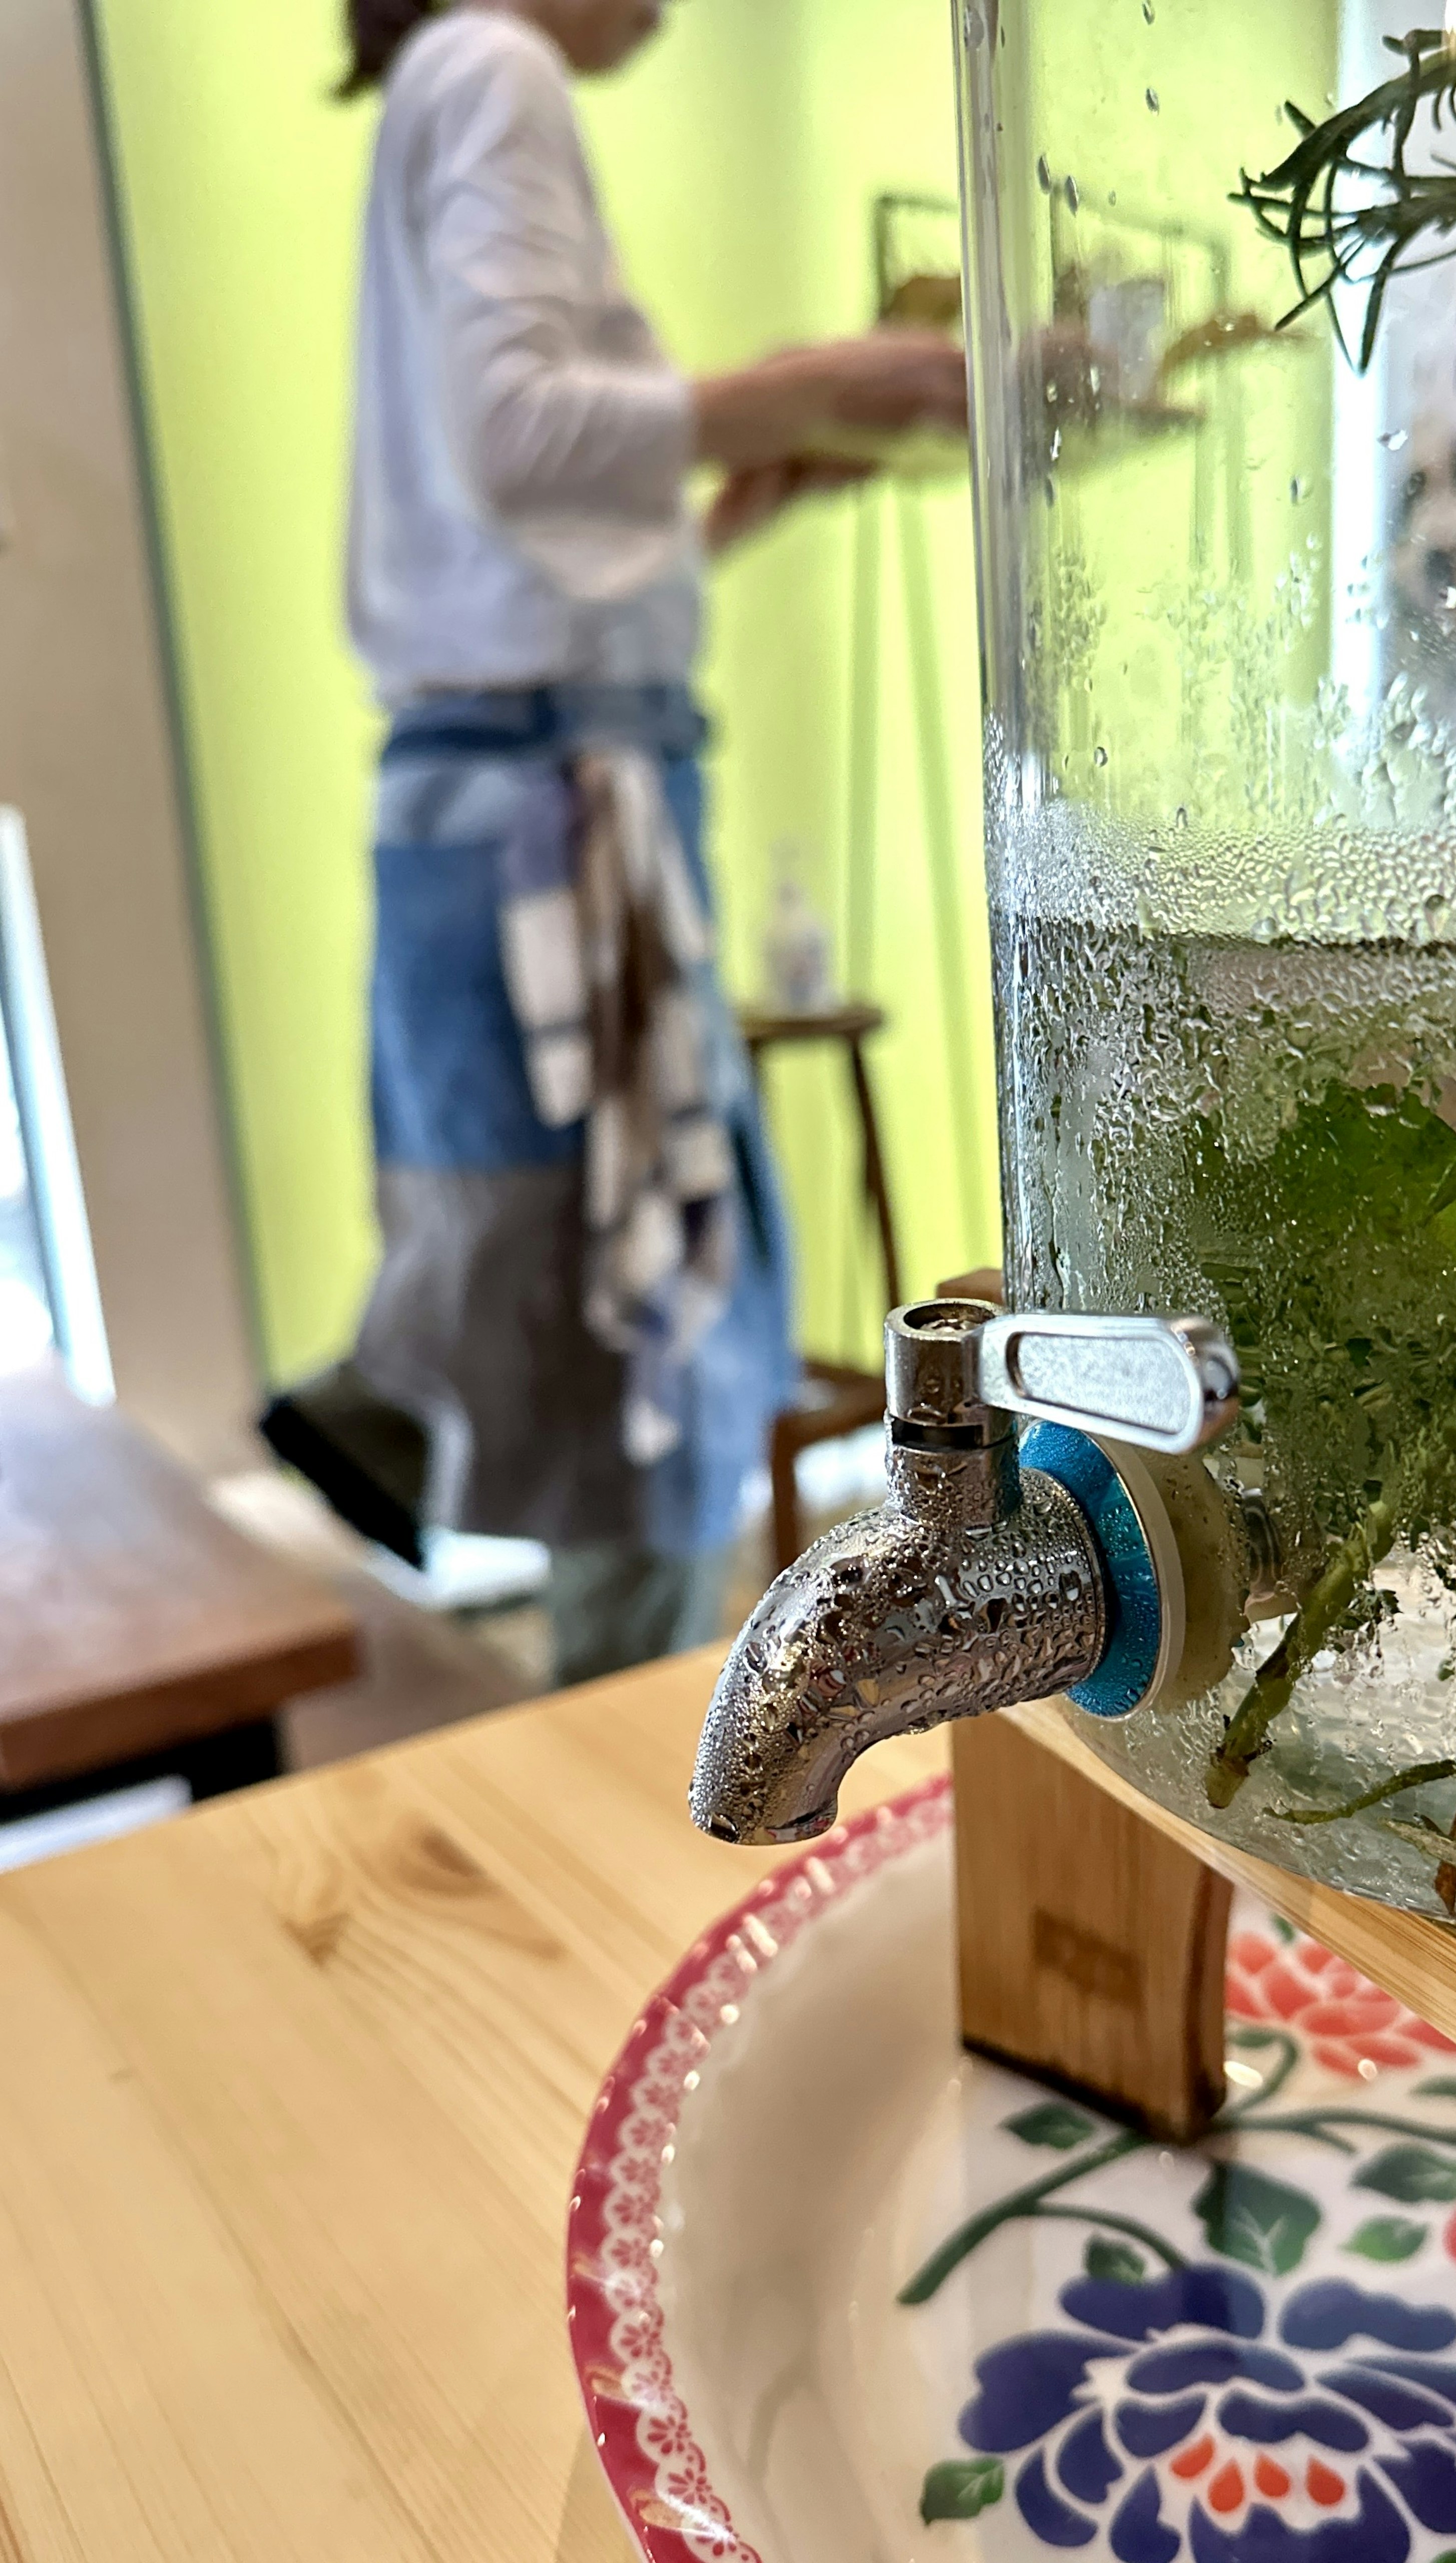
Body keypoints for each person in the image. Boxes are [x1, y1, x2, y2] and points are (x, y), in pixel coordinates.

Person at [332, 0, 968, 1681]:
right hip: (551, 809)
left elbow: (521, 540)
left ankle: (396, 1403)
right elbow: (522, 431)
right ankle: (624, 1784)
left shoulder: (450, 82)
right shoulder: (495, 65)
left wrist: (742, 494)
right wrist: (826, 383)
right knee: (641, 1392)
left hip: (524, 791)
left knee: (604, 1341)